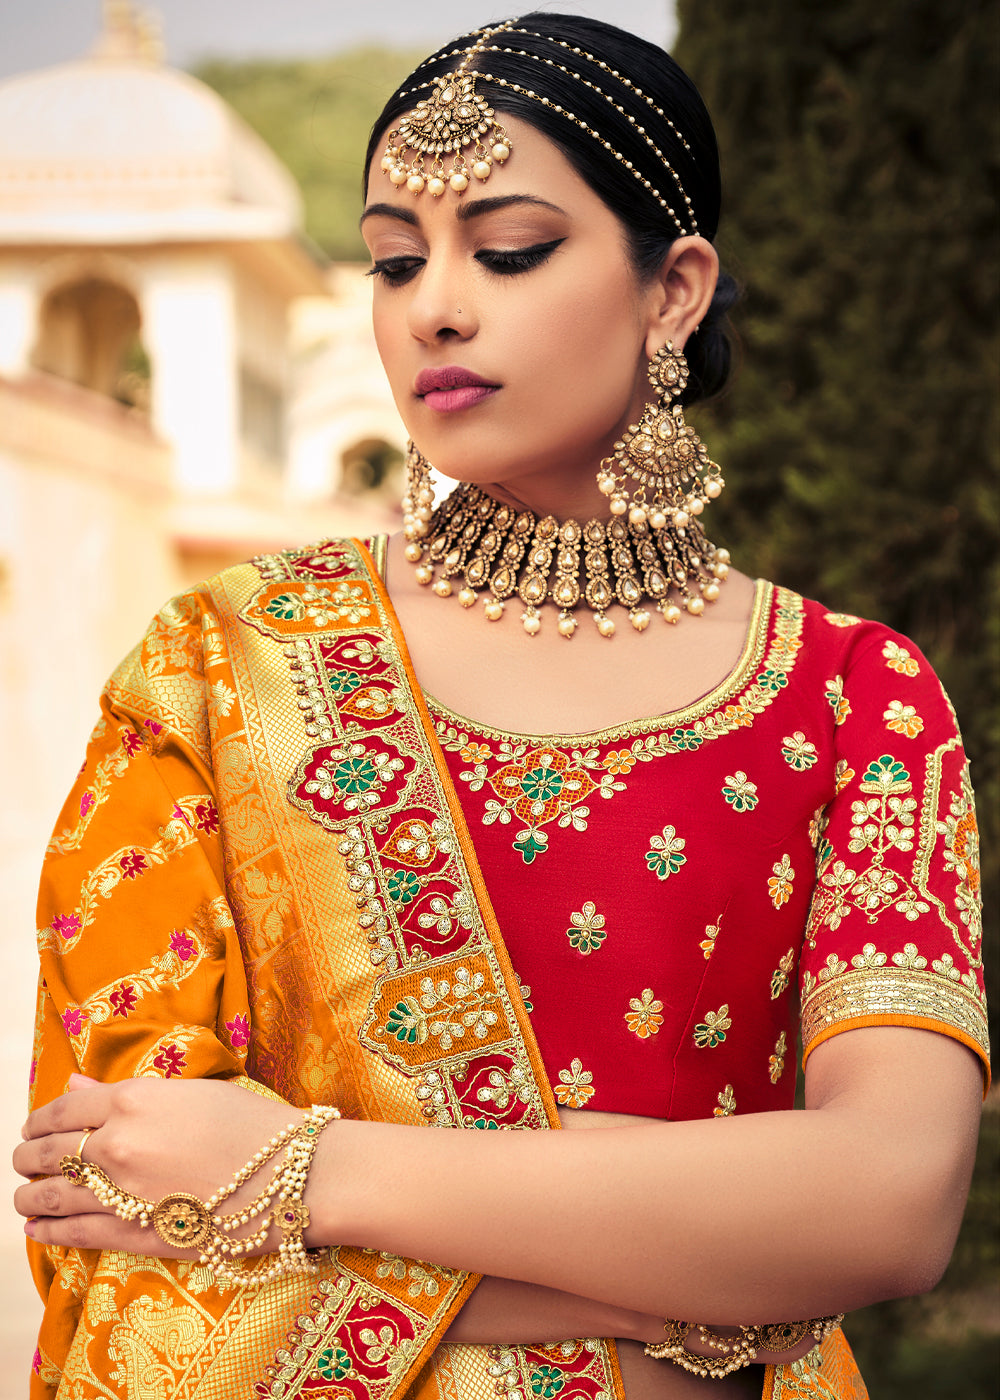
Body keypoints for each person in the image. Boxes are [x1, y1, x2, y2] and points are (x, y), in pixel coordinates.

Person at [13, 13, 988, 1400]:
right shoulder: (220, 672)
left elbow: (889, 1201)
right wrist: (720, 1267)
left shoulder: (852, 698)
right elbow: (124, 1220)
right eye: (396, 259)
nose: (433, 307)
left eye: (510, 249)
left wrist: (303, 1173)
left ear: (675, 290)